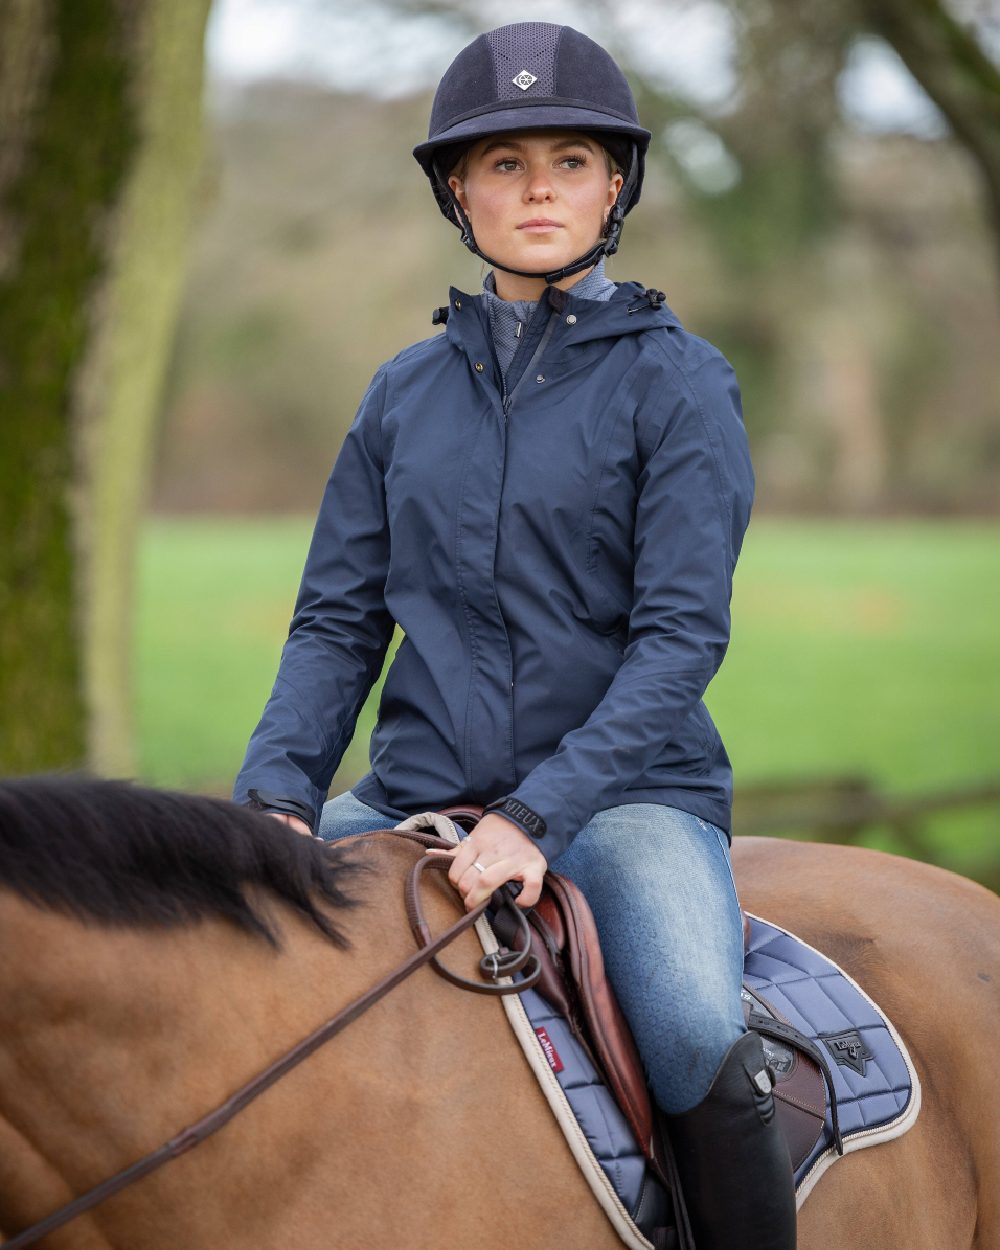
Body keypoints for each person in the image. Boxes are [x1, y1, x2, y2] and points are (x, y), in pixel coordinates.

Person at [233, 20, 795, 1249]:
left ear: (617, 186)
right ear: (455, 189)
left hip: (624, 799)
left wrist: (536, 815)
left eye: (571, 158)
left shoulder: (680, 384)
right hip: (414, 793)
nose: (537, 185)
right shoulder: (400, 394)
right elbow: (337, 621)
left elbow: (678, 639)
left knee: (696, 1024)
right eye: (502, 161)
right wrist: (276, 793)